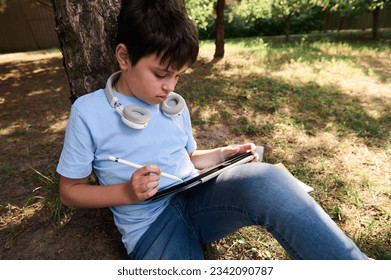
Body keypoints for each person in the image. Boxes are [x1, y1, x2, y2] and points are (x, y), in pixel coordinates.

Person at [56, 0, 368, 260]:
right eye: (161, 73)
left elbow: (188, 157)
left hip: (198, 199)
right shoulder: (88, 112)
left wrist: (223, 155)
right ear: (124, 57)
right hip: (152, 227)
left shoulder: (173, 105)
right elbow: (70, 191)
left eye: (177, 76)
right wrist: (125, 192)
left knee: (268, 180)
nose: (169, 87)